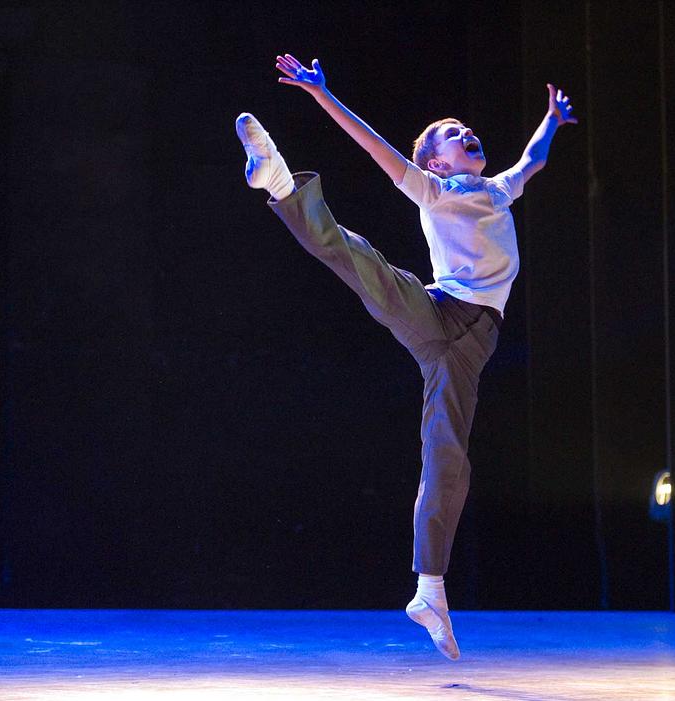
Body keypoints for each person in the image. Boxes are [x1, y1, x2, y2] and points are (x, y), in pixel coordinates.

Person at [235, 53, 576, 660]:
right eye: (451, 133)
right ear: (436, 161)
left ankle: (429, 590)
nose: (465, 131)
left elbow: (535, 160)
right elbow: (375, 146)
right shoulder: (433, 190)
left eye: (465, 128)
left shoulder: (499, 189)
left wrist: (550, 120)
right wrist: (321, 94)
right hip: (439, 312)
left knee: (449, 461)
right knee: (362, 261)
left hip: (468, 345)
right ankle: (281, 182)